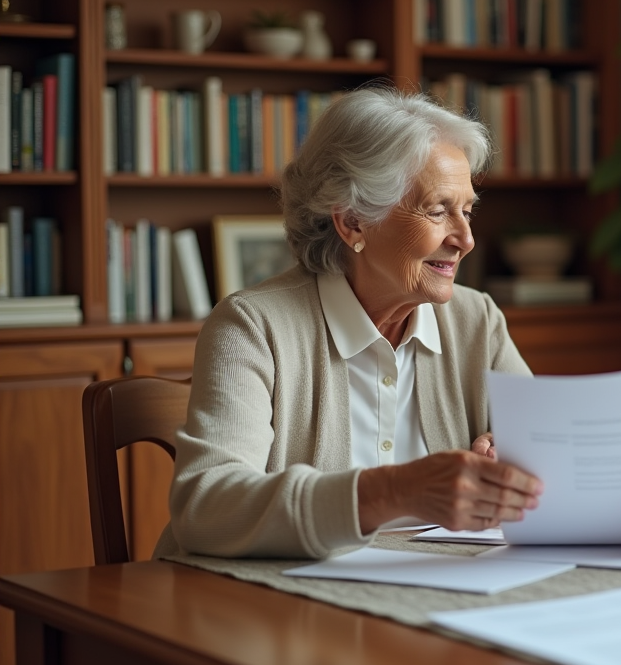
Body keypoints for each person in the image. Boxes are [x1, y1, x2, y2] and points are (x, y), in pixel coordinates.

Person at [155, 88, 543, 559]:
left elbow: (547, 454)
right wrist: (392, 491)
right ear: (353, 222)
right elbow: (206, 506)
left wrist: (516, 461)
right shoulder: (252, 327)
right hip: (274, 611)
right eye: (438, 211)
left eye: (466, 210)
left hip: (435, 594)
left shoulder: (476, 320)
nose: (466, 239)